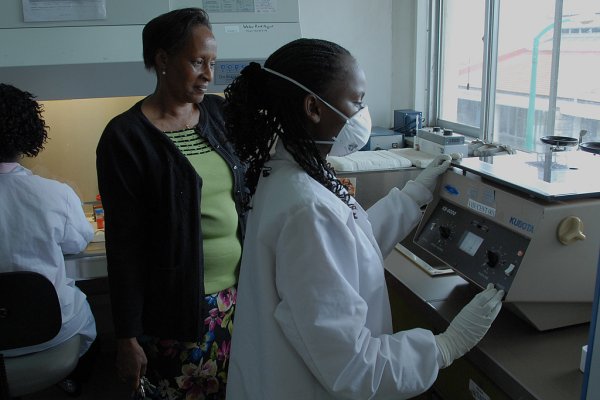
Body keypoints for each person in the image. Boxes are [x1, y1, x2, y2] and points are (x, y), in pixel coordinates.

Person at [223, 38, 504, 399]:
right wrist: (443, 347)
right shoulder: (307, 207)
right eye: (356, 101)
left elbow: (349, 247)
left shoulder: (288, 173)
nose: (362, 113)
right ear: (313, 107)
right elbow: (353, 366)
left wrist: (414, 195)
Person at [96, 8, 246, 399]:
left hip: (237, 301)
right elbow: (124, 245)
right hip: (177, 314)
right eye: (197, 62)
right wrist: (126, 335)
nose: (209, 75)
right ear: (162, 60)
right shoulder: (126, 137)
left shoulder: (218, 113)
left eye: (212, 63)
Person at [0, 83, 97, 396]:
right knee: (83, 303)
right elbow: (79, 242)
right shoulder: (54, 195)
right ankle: (78, 382)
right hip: (50, 335)